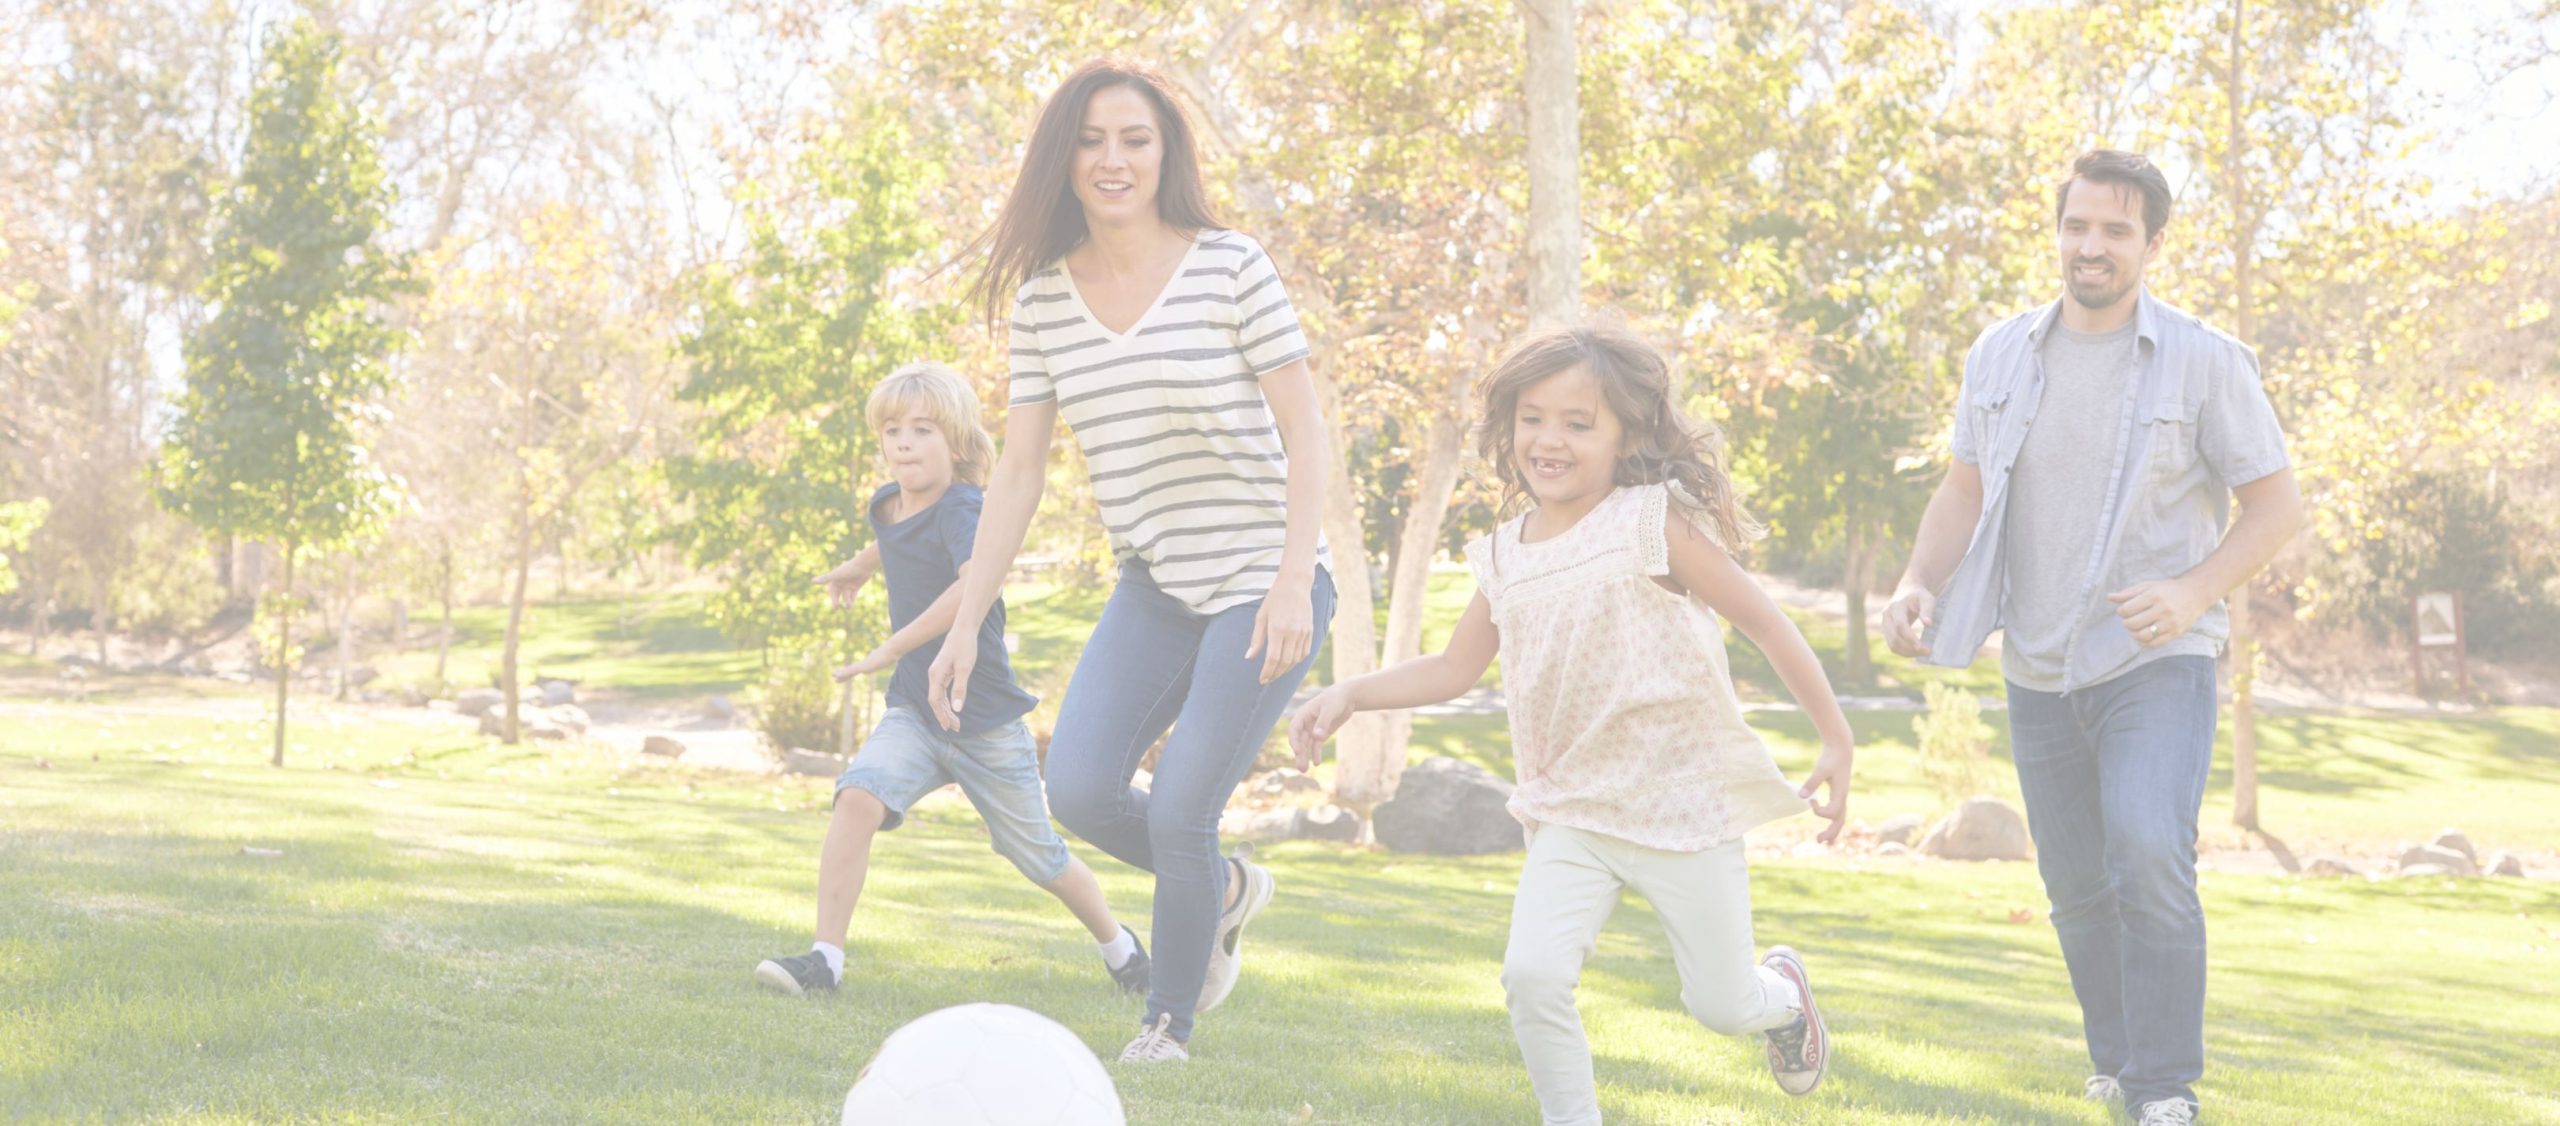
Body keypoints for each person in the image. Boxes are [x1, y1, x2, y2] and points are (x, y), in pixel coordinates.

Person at [1291, 325, 1855, 1125]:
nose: (1549, 440)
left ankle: (1784, 1001)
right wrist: (1352, 692)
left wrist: (1836, 737)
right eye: (1532, 418)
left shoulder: (1651, 524)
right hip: (1571, 811)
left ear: (1626, 436)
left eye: (1577, 423)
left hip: (1680, 806)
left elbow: (1767, 622)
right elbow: (1455, 668)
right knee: (1532, 976)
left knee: (1723, 1007)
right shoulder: (1504, 556)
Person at [921, 59, 1336, 1063]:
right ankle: (1227, 888)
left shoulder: (1231, 265)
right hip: (1154, 583)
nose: (1114, 159)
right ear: (1064, 158)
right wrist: (965, 622)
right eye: (1093, 140)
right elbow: (1018, 474)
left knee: (1187, 804)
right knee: (1079, 789)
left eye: (1135, 140)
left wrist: (1292, 580)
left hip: (1259, 579)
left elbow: (1310, 432)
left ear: (1166, 154)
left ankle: (1168, 1022)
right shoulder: (1044, 303)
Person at [1881, 150, 2305, 1126]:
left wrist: (2194, 587)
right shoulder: (1999, 354)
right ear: (2058, 230)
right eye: (2078, 225)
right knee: (2073, 879)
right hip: (2035, 661)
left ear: (2151, 244)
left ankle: (2165, 1085)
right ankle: (2116, 1060)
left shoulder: (2204, 358)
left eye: (2116, 230)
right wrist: (1916, 579)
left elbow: (2277, 507)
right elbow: (1963, 487)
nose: (2092, 245)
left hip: (2157, 660)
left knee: (2147, 848)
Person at [754, 363, 1147, 999]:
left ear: (958, 444)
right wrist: (858, 566)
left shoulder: (967, 508)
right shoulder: (887, 502)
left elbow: (974, 581)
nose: (903, 442)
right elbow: (895, 538)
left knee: (1039, 858)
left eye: (922, 430)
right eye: (891, 430)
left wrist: (894, 644)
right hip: (915, 708)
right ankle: (824, 961)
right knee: (857, 797)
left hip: (983, 718)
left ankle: (1123, 950)